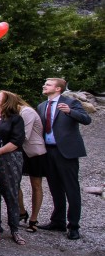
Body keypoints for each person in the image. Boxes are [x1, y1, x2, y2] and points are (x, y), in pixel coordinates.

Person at [37, 78, 91, 240]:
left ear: (58, 88)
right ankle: (58, 221)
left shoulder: (71, 103)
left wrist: (70, 112)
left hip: (66, 152)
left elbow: (86, 119)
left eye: (48, 84)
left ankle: (73, 226)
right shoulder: (42, 106)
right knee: (55, 188)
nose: (44, 86)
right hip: (48, 151)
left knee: (71, 189)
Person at [0, 90, 26, 244]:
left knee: (11, 192)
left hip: (9, 158)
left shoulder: (16, 119)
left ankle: (15, 229)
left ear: (6, 101)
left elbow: (16, 141)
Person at [16, 94, 46, 233]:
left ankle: (34, 219)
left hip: (34, 153)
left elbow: (24, 135)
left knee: (36, 185)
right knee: (14, 183)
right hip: (19, 151)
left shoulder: (26, 111)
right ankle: (22, 211)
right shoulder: (11, 112)